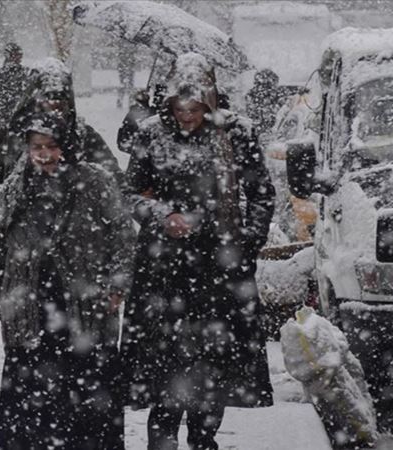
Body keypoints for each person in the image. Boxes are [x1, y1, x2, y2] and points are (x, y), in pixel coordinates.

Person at [123, 53, 275, 450]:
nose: (186, 117)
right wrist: (162, 214)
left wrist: (247, 244)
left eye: (194, 109)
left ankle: (204, 438)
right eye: (179, 108)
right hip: (163, 266)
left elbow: (261, 193)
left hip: (220, 267)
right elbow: (130, 193)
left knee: (214, 363)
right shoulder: (152, 133)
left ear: (209, 101)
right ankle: (163, 439)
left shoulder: (237, 132)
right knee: (165, 362)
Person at [0, 112, 135, 449]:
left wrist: (117, 284)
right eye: (37, 146)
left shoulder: (95, 182)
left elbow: (122, 233)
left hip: (83, 304)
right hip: (29, 305)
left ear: (67, 146)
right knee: (30, 397)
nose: (44, 154)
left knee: (86, 390)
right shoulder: (15, 186)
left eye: (51, 146)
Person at [0, 58, 124, 347]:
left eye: (61, 101)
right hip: (25, 275)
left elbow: (116, 198)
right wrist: (11, 234)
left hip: (79, 273)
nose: (54, 108)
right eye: (47, 100)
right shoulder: (11, 139)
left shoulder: (86, 139)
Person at [0, 42, 28, 138]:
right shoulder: (0, 75)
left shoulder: (25, 73)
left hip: (13, 116)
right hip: (10, 116)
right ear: (8, 55)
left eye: (20, 55)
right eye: (16, 55)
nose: (19, 58)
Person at [245, 68, 281, 138]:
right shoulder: (253, 96)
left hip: (265, 130)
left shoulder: (273, 93)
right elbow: (252, 115)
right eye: (274, 84)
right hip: (260, 131)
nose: (275, 87)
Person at [116, 43, 136, 108]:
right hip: (127, 67)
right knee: (128, 84)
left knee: (124, 84)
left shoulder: (123, 46)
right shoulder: (132, 44)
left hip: (125, 67)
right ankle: (128, 100)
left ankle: (122, 100)